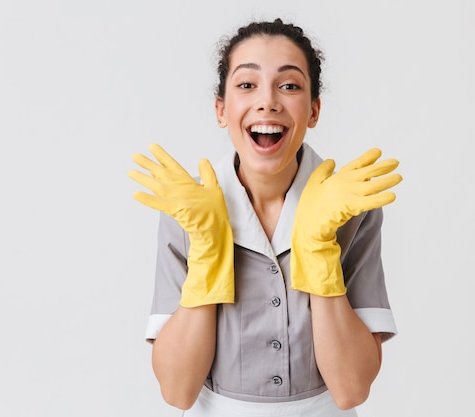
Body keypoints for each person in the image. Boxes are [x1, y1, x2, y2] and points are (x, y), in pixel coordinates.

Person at [128, 18, 403, 417]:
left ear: (313, 110)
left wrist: (317, 248)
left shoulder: (350, 206)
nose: (268, 101)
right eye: (246, 84)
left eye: (289, 85)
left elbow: (350, 390)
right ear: (221, 109)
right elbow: (177, 391)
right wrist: (208, 250)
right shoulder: (187, 206)